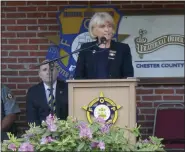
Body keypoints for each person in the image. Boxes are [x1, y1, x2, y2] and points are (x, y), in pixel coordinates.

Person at [74, 12, 134, 79]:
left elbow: (128, 76)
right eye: (102, 27)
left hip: (115, 89)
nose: (107, 30)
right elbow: (78, 76)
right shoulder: (86, 48)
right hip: (91, 89)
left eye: (109, 26)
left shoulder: (122, 48)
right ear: (94, 30)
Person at [26, 60, 68, 126]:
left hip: (65, 130)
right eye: (44, 70)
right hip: (41, 132)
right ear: (40, 74)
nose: (48, 72)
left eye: (51, 69)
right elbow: (32, 118)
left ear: (57, 72)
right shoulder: (33, 92)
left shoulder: (67, 88)